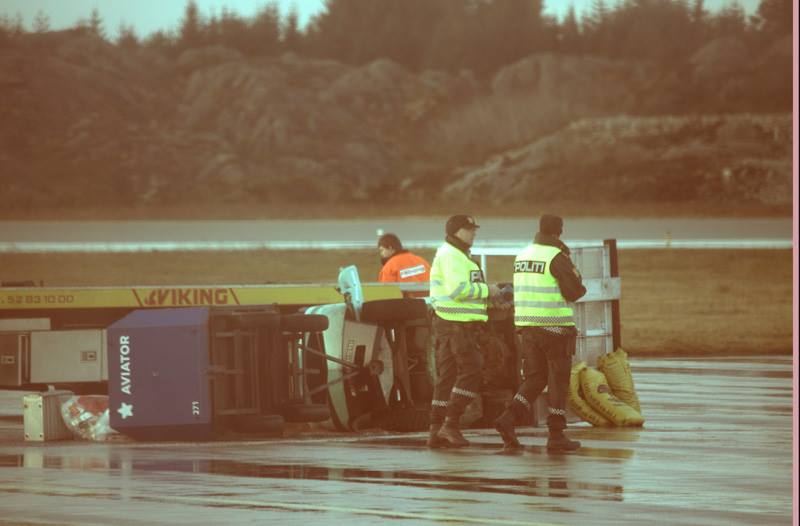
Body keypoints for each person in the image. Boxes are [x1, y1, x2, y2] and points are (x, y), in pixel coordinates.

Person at [493, 214, 586, 452]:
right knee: (558, 380)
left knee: (535, 378)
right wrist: (576, 274)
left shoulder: (523, 254)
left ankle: (508, 418)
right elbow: (574, 292)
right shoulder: (556, 256)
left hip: (527, 328)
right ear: (559, 231)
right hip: (554, 327)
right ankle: (556, 435)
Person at [427, 214, 500, 448]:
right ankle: (450, 423)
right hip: (456, 325)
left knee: (446, 377)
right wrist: (489, 291)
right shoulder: (452, 256)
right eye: (469, 229)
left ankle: (435, 430)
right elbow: (458, 290)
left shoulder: (456, 254)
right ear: (457, 231)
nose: (474, 232)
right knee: (472, 370)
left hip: (450, 323)